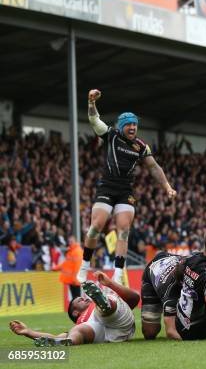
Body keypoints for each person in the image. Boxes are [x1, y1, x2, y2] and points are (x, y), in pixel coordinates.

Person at [78, 89, 176, 284]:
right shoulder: (111, 135)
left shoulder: (141, 147)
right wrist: (91, 103)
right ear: (122, 126)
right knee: (95, 227)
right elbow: (94, 120)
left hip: (125, 191)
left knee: (123, 229)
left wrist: (167, 186)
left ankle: (118, 273)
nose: (132, 127)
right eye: (129, 124)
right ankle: (84, 266)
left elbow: (154, 167)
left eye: (135, 124)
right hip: (106, 187)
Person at [9, 272, 139, 346]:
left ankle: (105, 305)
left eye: (83, 298)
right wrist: (27, 331)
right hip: (108, 335)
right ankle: (65, 343)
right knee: (76, 331)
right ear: (75, 312)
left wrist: (110, 283)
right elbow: (54, 336)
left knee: (104, 306)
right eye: (80, 300)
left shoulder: (93, 307)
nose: (85, 298)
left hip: (119, 320)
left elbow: (134, 299)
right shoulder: (80, 323)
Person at [140, 251, 182, 340]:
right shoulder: (170, 291)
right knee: (150, 332)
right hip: (153, 269)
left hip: (177, 260)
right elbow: (171, 332)